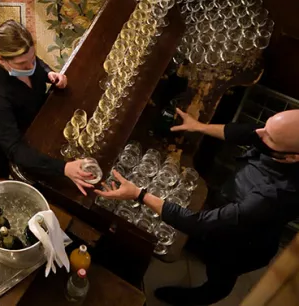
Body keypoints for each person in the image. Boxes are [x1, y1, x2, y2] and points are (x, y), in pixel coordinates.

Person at [96, 108, 299, 305]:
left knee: (221, 274)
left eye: (268, 137)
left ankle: (197, 299)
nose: (259, 132)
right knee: (204, 243)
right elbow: (247, 133)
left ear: (292, 157)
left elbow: (200, 224)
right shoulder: (280, 139)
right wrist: (199, 126)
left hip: (243, 244)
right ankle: (201, 249)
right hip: (231, 206)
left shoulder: (269, 197)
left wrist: (139, 194)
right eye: (266, 126)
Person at [0, 20, 93, 193]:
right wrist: (64, 169)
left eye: (32, 59)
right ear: (1, 59)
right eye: (22, 65)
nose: (30, 67)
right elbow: (14, 149)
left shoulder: (24, 60)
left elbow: (35, 64)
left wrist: (50, 74)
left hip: (25, 119)